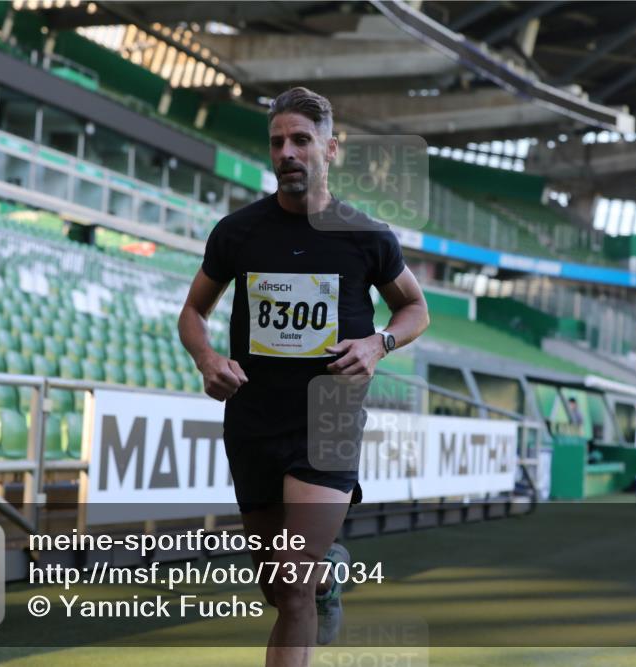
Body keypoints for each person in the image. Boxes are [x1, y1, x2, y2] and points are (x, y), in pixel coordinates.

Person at [178, 87, 430, 666]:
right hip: (254, 421)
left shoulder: (366, 235)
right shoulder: (237, 233)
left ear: (330, 149)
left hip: (328, 421)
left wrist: (379, 343)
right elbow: (193, 311)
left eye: (301, 140)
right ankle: (327, 577)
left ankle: (313, 579)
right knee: (278, 588)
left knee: (291, 586)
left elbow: (415, 308)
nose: (287, 153)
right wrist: (208, 359)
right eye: (277, 143)